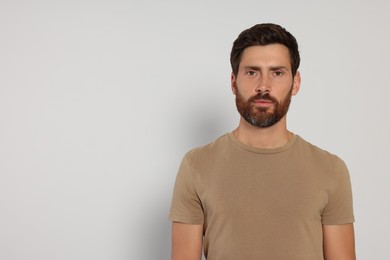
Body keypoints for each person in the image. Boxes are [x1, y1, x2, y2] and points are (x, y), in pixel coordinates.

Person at [169, 23, 355, 260]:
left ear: (295, 83)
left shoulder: (331, 170)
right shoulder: (196, 165)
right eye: (252, 72)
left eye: (277, 73)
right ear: (234, 82)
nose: (264, 86)